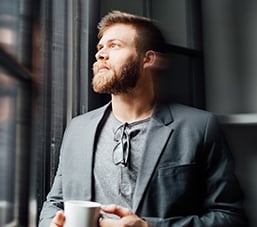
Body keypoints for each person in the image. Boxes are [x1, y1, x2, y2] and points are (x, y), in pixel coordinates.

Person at [39, 11, 248, 227]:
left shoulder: (200, 127)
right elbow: (54, 204)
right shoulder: (78, 128)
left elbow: (230, 217)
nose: (101, 54)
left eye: (115, 45)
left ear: (147, 59)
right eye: (100, 48)